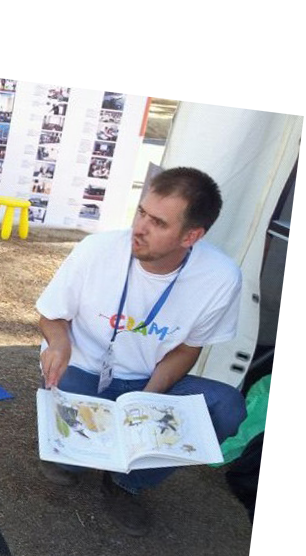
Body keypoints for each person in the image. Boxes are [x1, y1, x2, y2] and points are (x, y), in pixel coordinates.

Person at [36, 166, 247, 537]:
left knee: (226, 406)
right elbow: (51, 316)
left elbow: (186, 348)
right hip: (85, 368)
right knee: (65, 461)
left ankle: (126, 482)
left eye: (158, 223)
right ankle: (75, 459)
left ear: (191, 236)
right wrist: (60, 343)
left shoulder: (220, 277)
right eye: (141, 213)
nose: (140, 228)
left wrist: (149, 400)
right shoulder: (97, 251)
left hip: (146, 379)